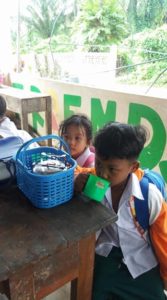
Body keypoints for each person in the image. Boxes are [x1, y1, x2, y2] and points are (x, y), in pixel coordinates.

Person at [75, 121, 167, 300]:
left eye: (112, 169)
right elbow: (73, 171)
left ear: (133, 167)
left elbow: (163, 240)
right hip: (105, 255)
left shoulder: (149, 196)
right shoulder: (93, 179)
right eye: (99, 164)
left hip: (141, 259)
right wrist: (76, 179)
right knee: (90, 294)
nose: (103, 173)